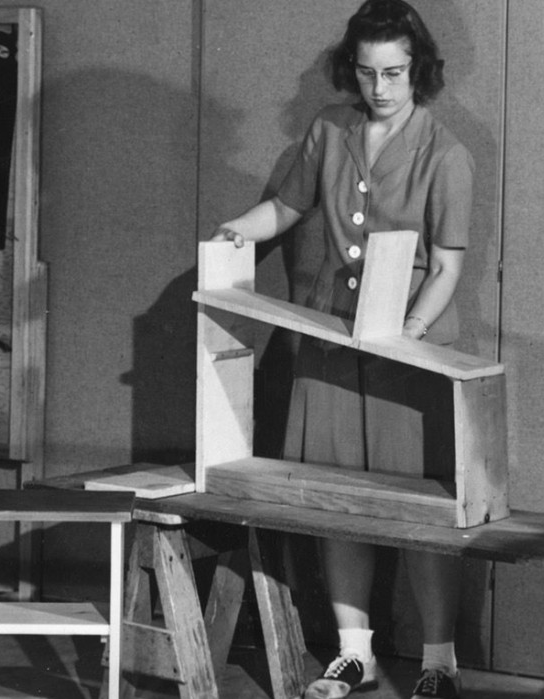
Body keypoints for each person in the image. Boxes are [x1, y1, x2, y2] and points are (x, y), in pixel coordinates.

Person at [211, 2, 474, 698]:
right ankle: (353, 650)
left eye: (393, 72)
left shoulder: (447, 154)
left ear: (418, 70)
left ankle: (437, 660)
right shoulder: (330, 129)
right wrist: (237, 230)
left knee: (420, 511)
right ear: (350, 70)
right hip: (329, 343)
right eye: (367, 73)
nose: (380, 86)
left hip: (407, 356)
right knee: (336, 500)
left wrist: (408, 333)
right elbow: (287, 209)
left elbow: (447, 267)